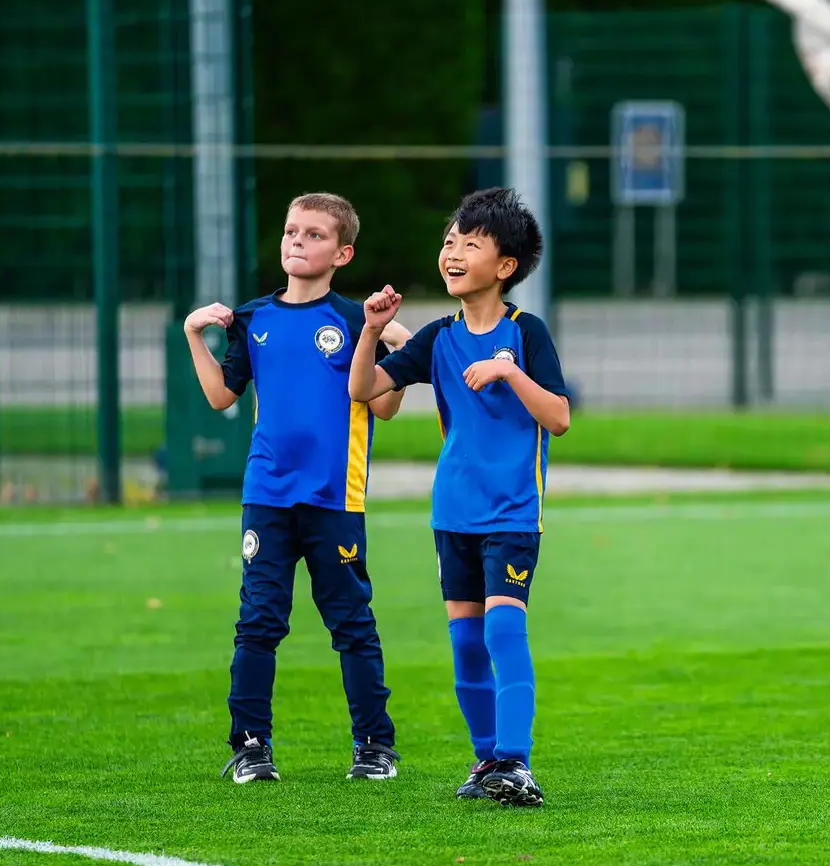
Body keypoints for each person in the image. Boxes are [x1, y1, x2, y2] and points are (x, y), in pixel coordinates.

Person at [347, 187, 568, 807]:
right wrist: (371, 331)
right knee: (466, 644)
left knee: (503, 633)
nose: (453, 252)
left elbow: (558, 417)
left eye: (470, 243)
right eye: (450, 241)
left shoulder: (527, 333)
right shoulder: (438, 337)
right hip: (454, 514)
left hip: (511, 514)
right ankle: (485, 761)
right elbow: (364, 387)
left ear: (505, 267)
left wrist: (509, 371)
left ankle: (515, 763)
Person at [183, 191, 411, 784]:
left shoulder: (351, 321)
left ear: (343, 252)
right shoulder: (253, 318)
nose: (297, 242)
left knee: (352, 622)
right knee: (258, 620)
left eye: (313, 235)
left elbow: (382, 408)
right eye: (291, 232)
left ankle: (373, 746)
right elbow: (219, 397)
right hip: (266, 496)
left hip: (336, 498)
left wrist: (393, 340)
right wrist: (193, 336)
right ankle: (250, 746)